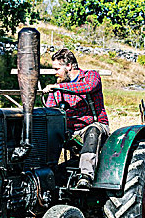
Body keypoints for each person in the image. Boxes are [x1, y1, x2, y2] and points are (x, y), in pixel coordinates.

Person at [43, 48, 109, 189]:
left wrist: (58, 87)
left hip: (94, 124)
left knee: (93, 130)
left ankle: (86, 176)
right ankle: (48, 173)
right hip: (70, 130)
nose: (55, 73)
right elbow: (49, 110)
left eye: (57, 69)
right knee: (50, 132)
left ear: (69, 66)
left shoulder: (91, 76)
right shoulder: (57, 88)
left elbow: (88, 87)